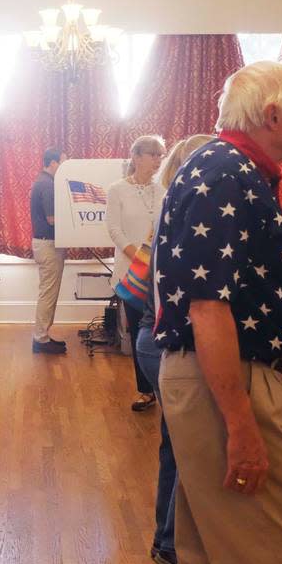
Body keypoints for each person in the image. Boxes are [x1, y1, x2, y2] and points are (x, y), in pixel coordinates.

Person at [155, 60, 282, 564]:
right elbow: (208, 308)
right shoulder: (226, 174)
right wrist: (243, 427)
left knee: (205, 563)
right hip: (228, 375)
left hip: (218, 372)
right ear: (271, 114)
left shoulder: (223, 168)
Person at [134, 133, 212, 564]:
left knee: (174, 445)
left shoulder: (170, 211)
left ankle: (167, 542)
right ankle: (170, 541)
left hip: (152, 338)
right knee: (188, 447)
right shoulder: (187, 215)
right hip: (164, 342)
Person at [107, 134, 165, 412]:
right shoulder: (117, 189)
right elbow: (114, 230)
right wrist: (140, 258)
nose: (157, 160)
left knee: (160, 330)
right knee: (139, 333)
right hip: (130, 273)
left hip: (159, 274)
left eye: (160, 155)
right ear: (136, 157)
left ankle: (165, 385)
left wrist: (154, 261)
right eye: (153, 154)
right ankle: (145, 390)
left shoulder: (163, 189)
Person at [30, 147, 69, 354]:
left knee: (48, 292)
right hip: (48, 245)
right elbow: (52, 219)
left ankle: (42, 336)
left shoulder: (43, 182)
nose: (64, 166)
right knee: (48, 293)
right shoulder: (48, 185)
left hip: (45, 244)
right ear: (53, 163)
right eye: (62, 162)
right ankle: (41, 339)